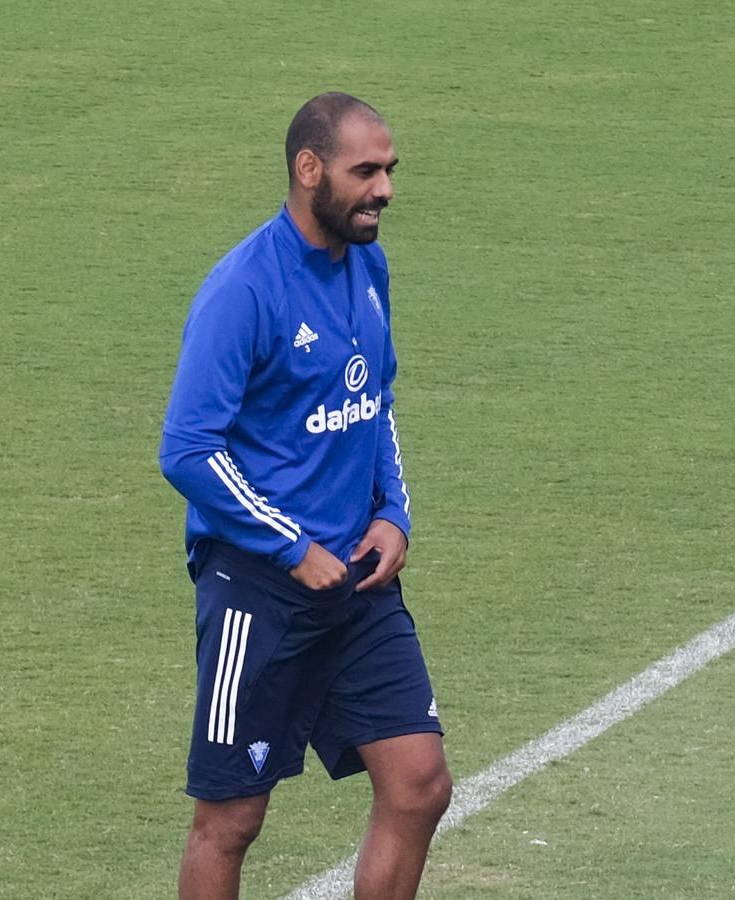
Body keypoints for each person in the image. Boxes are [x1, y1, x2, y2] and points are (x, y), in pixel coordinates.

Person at [159, 92, 451, 900]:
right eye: (366, 172)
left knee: (419, 782)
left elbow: (373, 401)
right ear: (308, 169)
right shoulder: (243, 290)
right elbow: (187, 450)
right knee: (231, 821)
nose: (384, 189)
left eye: (389, 170)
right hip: (258, 589)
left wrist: (393, 512)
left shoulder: (369, 266)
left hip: (357, 578)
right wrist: (290, 548)